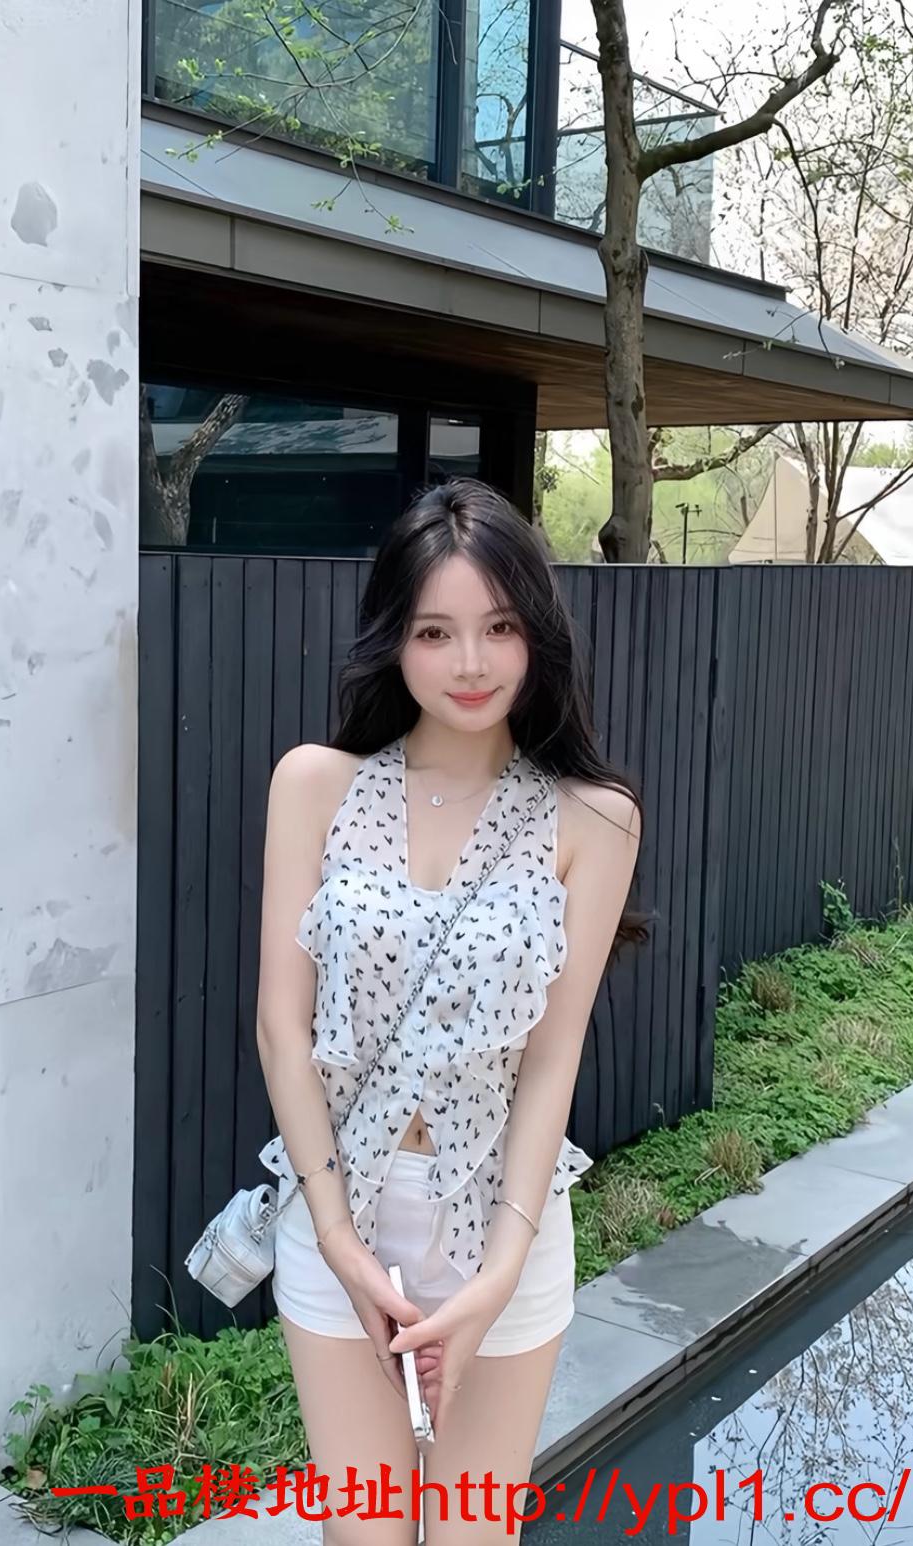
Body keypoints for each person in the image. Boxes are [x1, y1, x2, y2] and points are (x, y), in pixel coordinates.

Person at [254, 478, 645, 1543]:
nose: (471, 662)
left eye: (500, 626)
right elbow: (282, 1029)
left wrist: (499, 1274)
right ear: (394, 638)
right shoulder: (316, 785)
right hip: (341, 1214)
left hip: (500, 1225)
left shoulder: (593, 819)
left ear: (538, 634)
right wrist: (339, 1241)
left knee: (474, 1534)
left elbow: (554, 1057)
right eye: (435, 631)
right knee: (364, 1534)